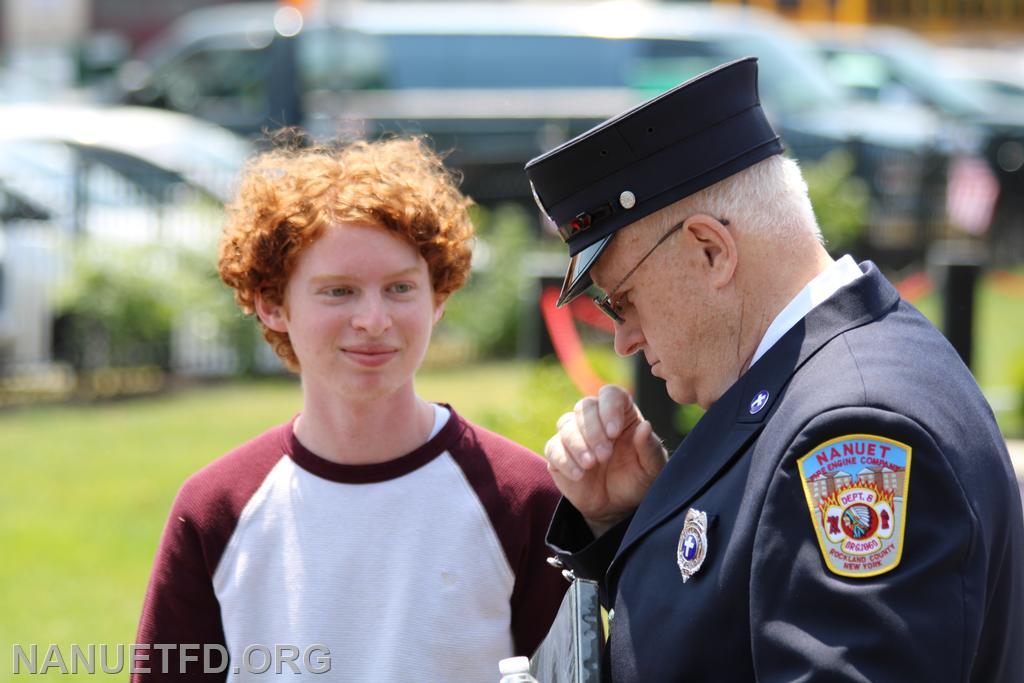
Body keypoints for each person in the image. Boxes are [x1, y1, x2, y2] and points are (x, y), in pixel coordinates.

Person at [526, 57, 1024, 681]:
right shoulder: (826, 376)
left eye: (621, 299)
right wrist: (636, 519)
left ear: (711, 251)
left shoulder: (854, 429)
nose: (623, 338)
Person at [134, 137, 566, 681]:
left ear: (439, 298)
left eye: (400, 288)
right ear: (272, 304)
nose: (373, 319)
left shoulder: (528, 499)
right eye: (338, 291)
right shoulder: (215, 509)